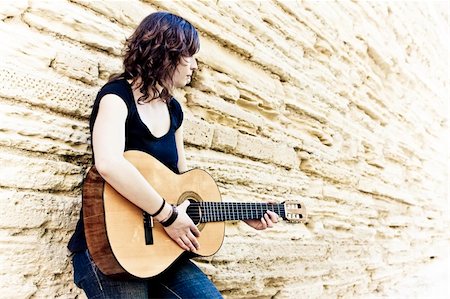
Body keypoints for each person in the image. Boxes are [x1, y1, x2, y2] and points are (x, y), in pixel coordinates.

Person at [68, 11, 279, 298]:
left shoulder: (174, 111)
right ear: (164, 52)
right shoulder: (116, 97)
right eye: (189, 55)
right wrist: (167, 215)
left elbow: (180, 184)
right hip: (108, 249)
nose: (195, 65)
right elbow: (109, 163)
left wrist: (241, 214)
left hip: (162, 250)